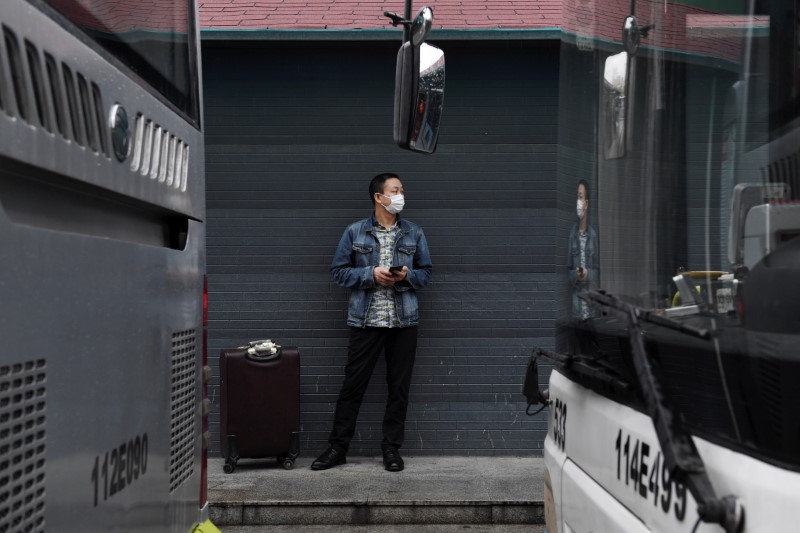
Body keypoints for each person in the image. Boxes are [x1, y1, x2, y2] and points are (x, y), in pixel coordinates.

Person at [311, 173, 432, 472]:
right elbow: (338, 272)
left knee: (398, 389)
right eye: (396, 190)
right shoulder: (355, 232)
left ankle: (391, 450)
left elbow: (426, 274)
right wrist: (370, 274)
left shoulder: (414, 233)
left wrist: (407, 276)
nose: (401, 195)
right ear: (379, 197)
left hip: (403, 323)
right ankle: (337, 448)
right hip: (366, 322)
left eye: (403, 189)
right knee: (353, 386)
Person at [567, 179, 600, 322]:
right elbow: (568, 272)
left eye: (580, 197)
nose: (578, 202)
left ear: (586, 204)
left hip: (591, 310)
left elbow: (598, 272)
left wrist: (588, 274)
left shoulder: (592, 235)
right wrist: (576, 274)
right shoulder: (572, 235)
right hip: (576, 310)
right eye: (577, 197)